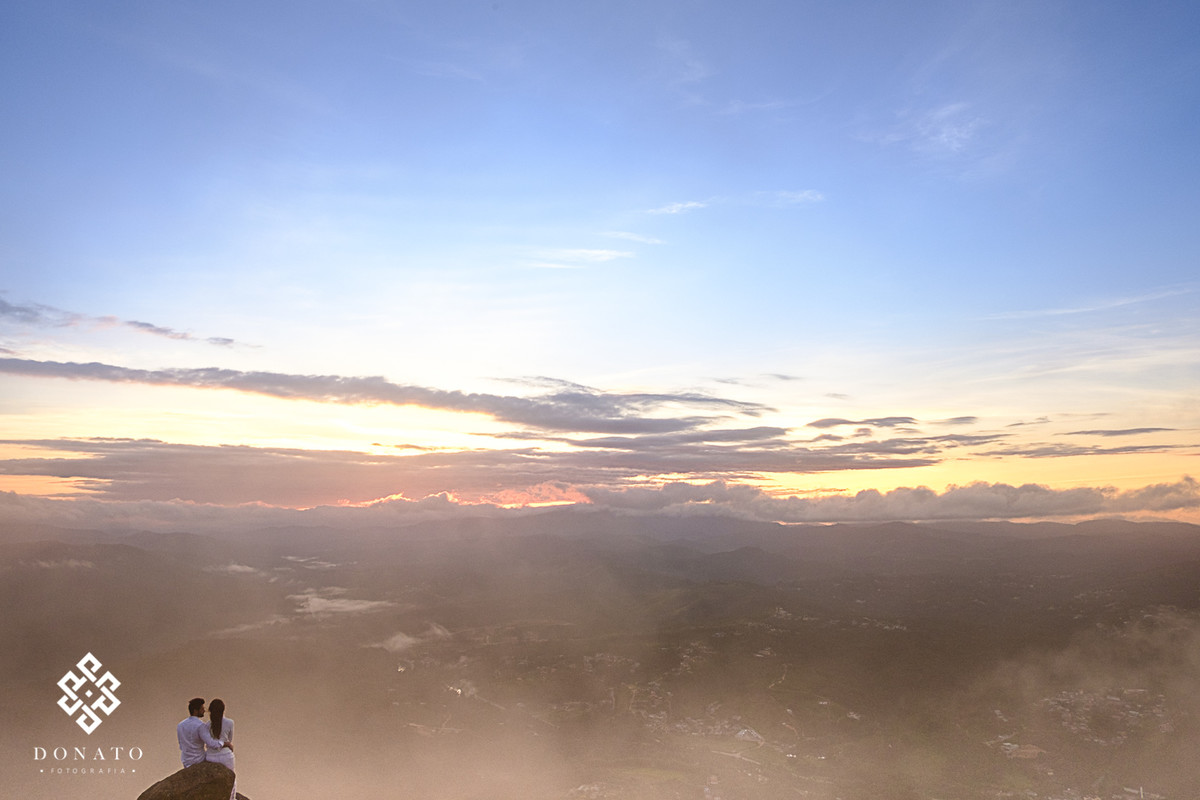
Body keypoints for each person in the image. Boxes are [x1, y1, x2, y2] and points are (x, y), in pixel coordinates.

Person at [176, 697, 232, 768]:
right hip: (198, 759)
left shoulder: (180, 725)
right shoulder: (200, 726)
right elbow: (211, 743)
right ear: (195, 711)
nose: (204, 711)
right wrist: (225, 744)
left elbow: (181, 744)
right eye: (202, 708)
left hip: (186, 760)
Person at [204, 698, 237, 800]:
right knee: (232, 780)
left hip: (210, 757)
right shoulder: (230, 723)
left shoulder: (207, 725)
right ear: (223, 710)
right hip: (225, 757)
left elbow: (207, 743)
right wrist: (226, 744)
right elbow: (230, 739)